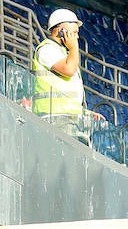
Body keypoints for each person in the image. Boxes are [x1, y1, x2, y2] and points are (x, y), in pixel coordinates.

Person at [32, 8, 93, 143]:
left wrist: (84, 112)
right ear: (61, 30)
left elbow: (68, 90)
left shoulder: (64, 53)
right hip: (54, 116)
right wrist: (74, 47)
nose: (77, 37)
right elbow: (68, 70)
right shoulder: (47, 49)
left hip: (68, 117)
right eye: (75, 32)